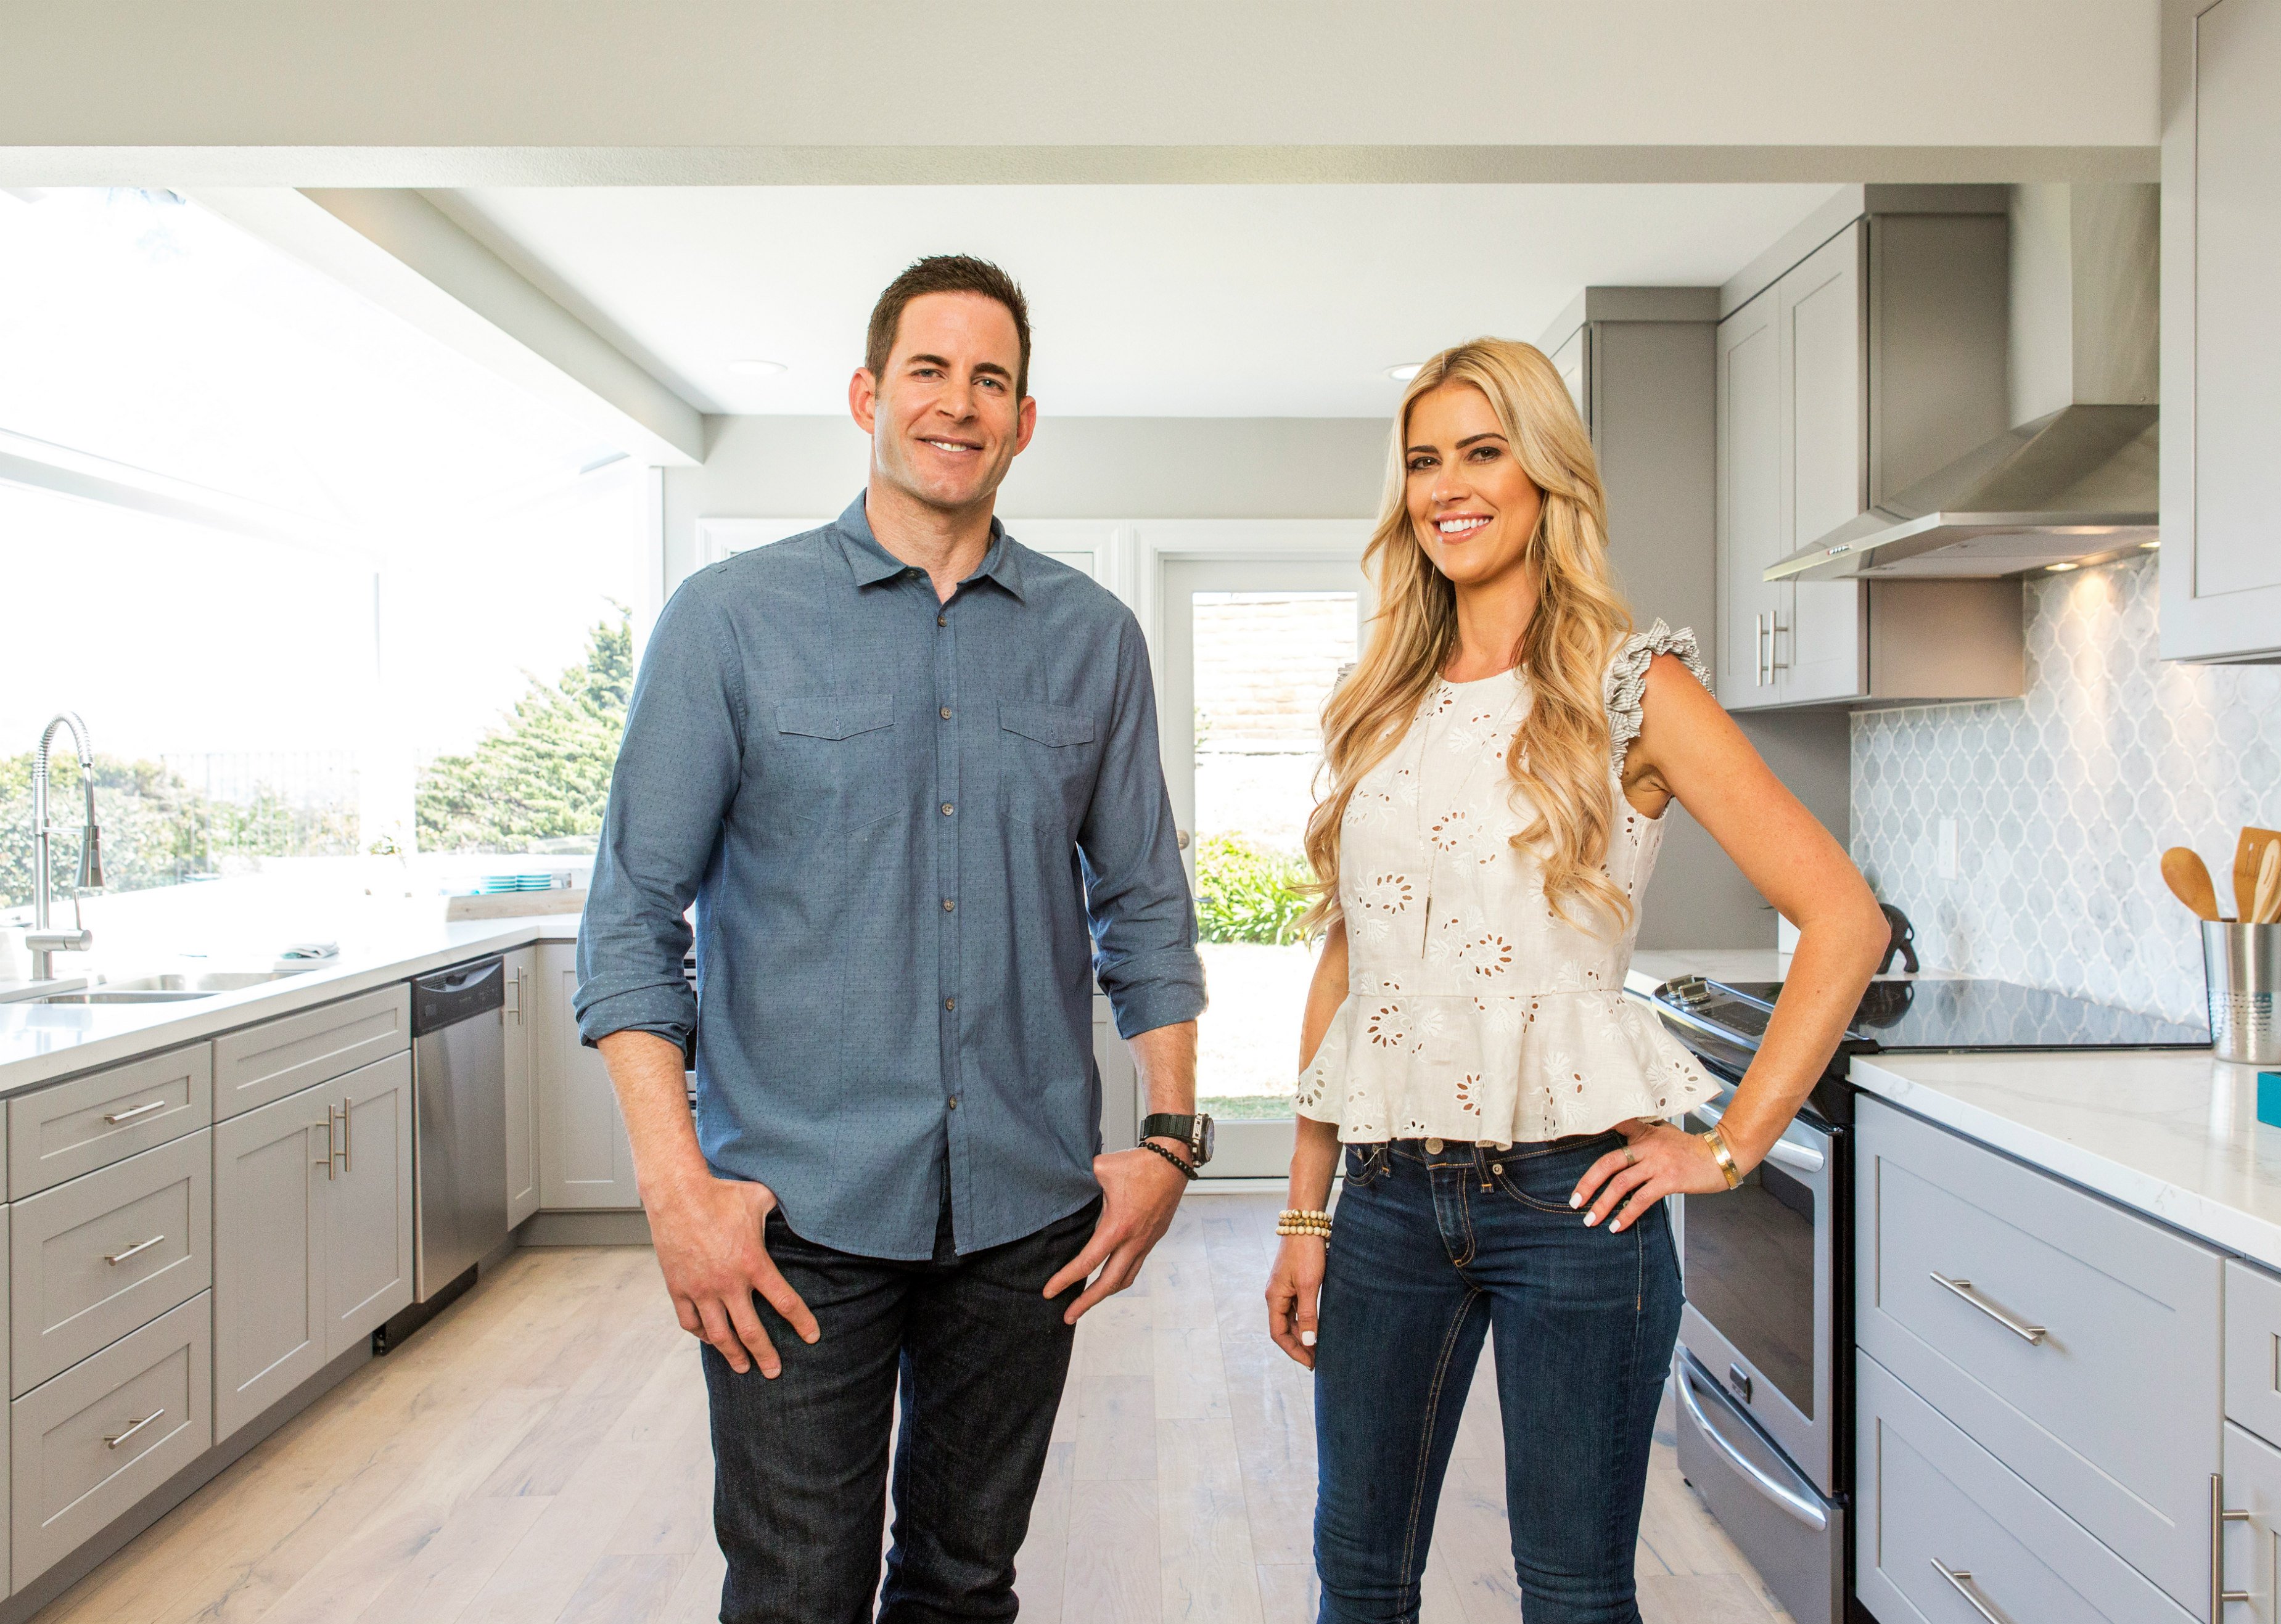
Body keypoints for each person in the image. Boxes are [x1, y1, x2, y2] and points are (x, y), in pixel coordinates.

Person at [577, 255, 1211, 1624]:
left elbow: (1146, 903)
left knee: (965, 1585)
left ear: (1023, 421)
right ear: (869, 396)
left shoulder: (1094, 641)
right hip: (793, 1220)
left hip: (1024, 1210)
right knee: (798, 1592)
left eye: (992, 379)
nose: (958, 403)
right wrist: (674, 1190)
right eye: (929, 370)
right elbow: (630, 916)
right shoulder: (729, 624)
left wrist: (1170, 1141)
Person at [1264, 337, 1886, 1623]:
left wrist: (1724, 1152)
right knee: (1357, 1581)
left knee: (1575, 1592)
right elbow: (1352, 961)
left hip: (1572, 1204)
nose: (1449, 485)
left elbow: (1842, 919)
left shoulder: (1630, 690)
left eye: (1482, 452)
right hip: (1382, 1200)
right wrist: (1305, 1210)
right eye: (1424, 459)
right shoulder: (1376, 697)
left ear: (1545, 476)